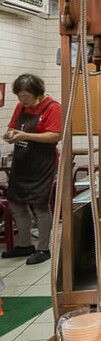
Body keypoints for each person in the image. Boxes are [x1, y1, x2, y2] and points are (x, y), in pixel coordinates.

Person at [2, 74, 61, 265]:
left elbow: (55, 135)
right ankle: (24, 244)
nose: (22, 100)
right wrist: (10, 135)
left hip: (42, 164)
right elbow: (12, 127)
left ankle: (43, 248)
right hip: (22, 162)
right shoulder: (21, 107)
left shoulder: (53, 107)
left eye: (25, 96)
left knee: (40, 205)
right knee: (16, 202)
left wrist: (25, 135)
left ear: (37, 93)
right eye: (19, 97)